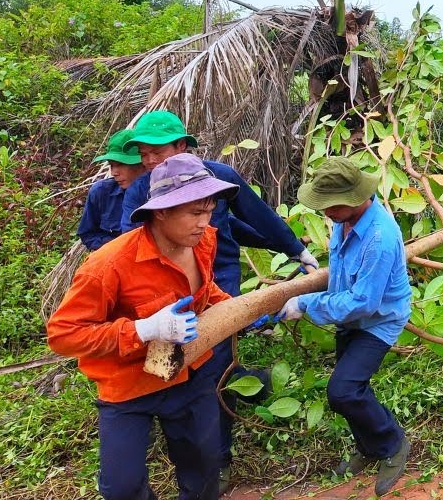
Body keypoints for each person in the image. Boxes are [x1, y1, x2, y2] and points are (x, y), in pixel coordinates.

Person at [117, 110, 316, 490]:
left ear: (182, 146)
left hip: (217, 283)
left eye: (156, 152)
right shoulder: (142, 191)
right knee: (169, 362)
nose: (148, 160)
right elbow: (128, 244)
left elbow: (252, 218)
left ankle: (219, 456)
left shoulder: (219, 177)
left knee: (212, 366)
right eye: (143, 153)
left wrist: (293, 248)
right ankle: (231, 397)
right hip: (165, 292)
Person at [48, 153, 241, 500]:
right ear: (162, 211)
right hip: (127, 386)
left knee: (204, 467)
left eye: (209, 211)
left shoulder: (203, 242)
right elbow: (63, 334)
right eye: (195, 213)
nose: (204, 222)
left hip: (188, 373)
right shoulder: (109, 265)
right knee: (121, 488)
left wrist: (243, 308)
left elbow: (206, 290)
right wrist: (143, 330)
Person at [280, 157, 412, 497]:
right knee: (349, 392)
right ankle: (368, 447)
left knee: (343, 391)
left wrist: (308, 304)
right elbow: (343, 280)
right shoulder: (344, 221)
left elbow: (365, 301)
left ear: (352, 200)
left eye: (330, 206)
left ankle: (393, 443)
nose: (325, 213)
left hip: (378, 320)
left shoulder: (379, 237)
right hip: (348, 316)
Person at [77, 128, 146, 251]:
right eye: (111, 165)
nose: (114, 172)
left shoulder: (160, 192)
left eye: (121, 164)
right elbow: (87, 234)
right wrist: (115, 247)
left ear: (141, 164)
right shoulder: (101, 192)